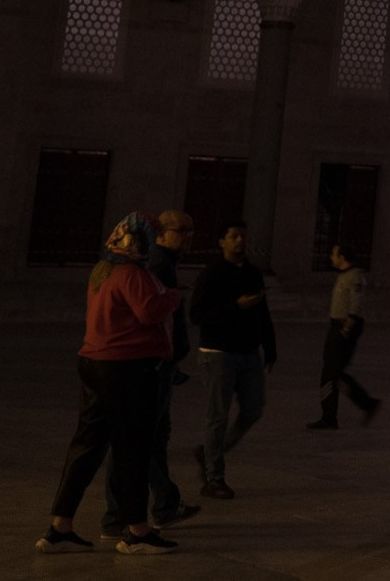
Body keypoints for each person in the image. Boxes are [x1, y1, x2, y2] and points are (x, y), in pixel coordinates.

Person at [37, 212, 190, 556]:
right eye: (150, 238)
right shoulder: (131, 273)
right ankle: (137, 531)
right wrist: (174, 297)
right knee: (132, 447)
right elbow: (149, 311)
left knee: (86, 445)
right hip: (127, 368)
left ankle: (59, 527)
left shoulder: (102, 271)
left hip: (96, 362)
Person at [96, 210, 197, 536]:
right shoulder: (150, 267)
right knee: (137, 439)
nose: (187, 237)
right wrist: (171, 300)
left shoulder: (156, 264)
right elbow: (149, 313)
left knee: (148, 438)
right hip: (143, 365)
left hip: (156, 364)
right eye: (180, 230)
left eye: (190, 230)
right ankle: (145, 508)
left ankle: (149, 509)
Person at [189, 220, 275, 500]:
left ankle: (210, 451)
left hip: (249, 352)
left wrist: (270, 346)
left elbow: (262, 311)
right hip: (218, 353)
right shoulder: (212, 274)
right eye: (234, 236)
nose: (240, 241)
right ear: (222, 242)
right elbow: (197, 314)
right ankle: (215, 478)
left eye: (243, 237)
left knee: (253, 409)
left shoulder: (251, 272)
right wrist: (235, 307)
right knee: (218, 416)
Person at [308, 242, 381, 429]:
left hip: (343, 326)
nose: (331, 258)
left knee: (331, 372)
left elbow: (356, 304)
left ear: (342, 257)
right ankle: (359, 405)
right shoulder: (343, 276)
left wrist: (346, 329)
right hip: (337, 325)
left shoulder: (354, 276)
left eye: (334, 254)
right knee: (334, 372)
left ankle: (333, 415)